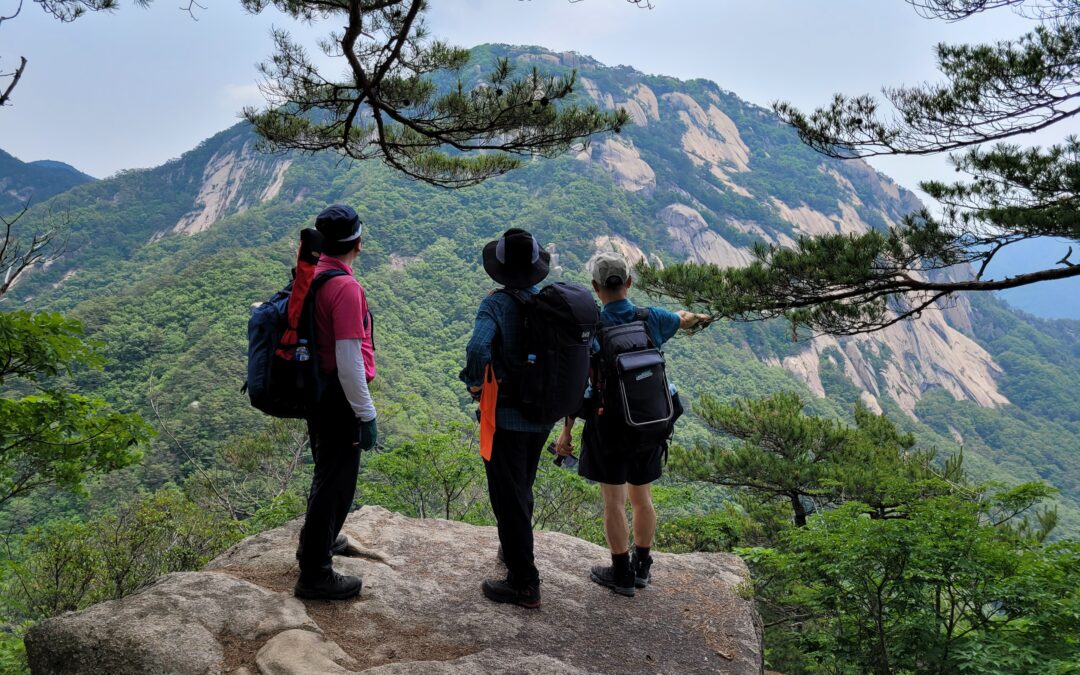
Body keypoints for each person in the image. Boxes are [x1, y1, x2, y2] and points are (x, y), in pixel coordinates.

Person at [555, 251, 709, 597]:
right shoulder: (651, 318)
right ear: (628, 282)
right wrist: (701, 316)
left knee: (613, 500)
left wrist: (566, 431)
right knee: (642, 497)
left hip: (609, 427)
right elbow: (682, 319)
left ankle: (621, 573)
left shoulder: (593, 327)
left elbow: (580, 384)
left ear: (596, 288)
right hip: (651, 421)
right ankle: (643, 568)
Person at [460, 228, 554, 609]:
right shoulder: (550, 301)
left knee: (507, 494)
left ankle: (524, 582)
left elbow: (478, 346)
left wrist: (473, 385)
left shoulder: (496, 305)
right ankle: (512, 549)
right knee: (522, 487)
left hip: (504, 417)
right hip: (541, 415)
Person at [294, 204, 378, 600]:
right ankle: (315, 573)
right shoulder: (345, 288)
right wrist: (367, 413)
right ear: (358, 244)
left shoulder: (313, 274)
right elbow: (349, 361)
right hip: (338, 399)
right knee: (337, 483)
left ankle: (318, 542)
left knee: (327, 474)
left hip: (317, 393)